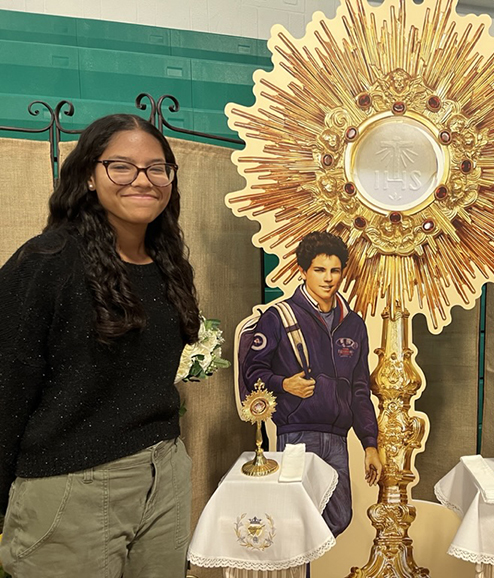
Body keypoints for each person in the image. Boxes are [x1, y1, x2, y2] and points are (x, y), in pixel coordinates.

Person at [0, 114, 199, 577]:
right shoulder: (46, 261)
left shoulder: (169, 264)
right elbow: (7, 382)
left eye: (156, 168)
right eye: (121, 167)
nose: (143, 180)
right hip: (72, 484)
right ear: (89, 175)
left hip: (163, 473)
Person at [240, 231, 382, 537]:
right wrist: (283, 384)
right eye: (319, 270)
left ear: (343, 272)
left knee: (340, 517)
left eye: (335, 270)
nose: (328, 278)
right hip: (297, 432)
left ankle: (297, 554)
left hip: (338, 439)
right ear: (303, 271)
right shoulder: (279, 316)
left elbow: (360, 389)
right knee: (296, 518)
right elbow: (252, 372)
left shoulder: (354, 325)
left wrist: (370, 443)